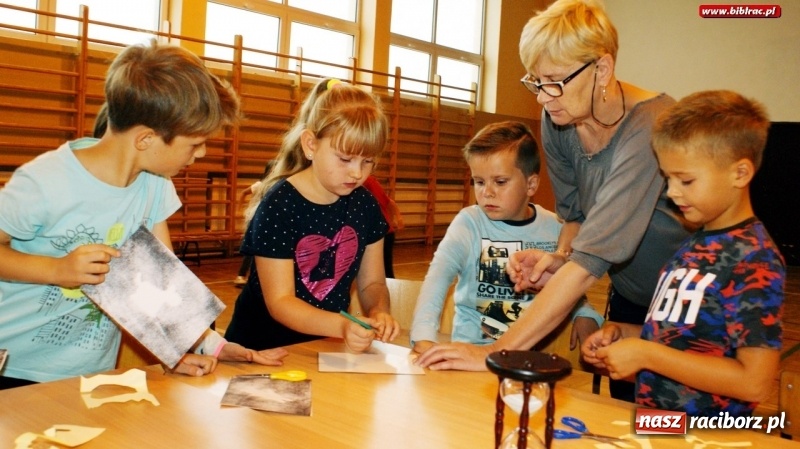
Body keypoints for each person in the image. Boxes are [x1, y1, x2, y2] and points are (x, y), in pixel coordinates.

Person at [416, 0, 691, 403]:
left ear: (602, 69)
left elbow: (590, 263)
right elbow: (577, 217)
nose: (544, 98)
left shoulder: (649, 125)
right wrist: (559, 256)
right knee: (627, 416)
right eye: (536, 82)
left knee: (679, 426)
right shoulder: (559, 119)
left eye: (555, 81)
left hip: (686, 302)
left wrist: (495, 351)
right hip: (631, 296)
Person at [0, 41, 286, 390]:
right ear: (146, 139)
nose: (202, 154)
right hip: (13, 366)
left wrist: (205, 345)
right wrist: (57, 270)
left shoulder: (155, 185)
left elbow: (161, 283)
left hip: (90, 373)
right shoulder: (45, 181)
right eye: (195, 144)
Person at [582, 90, 783, 416]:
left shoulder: (754, 259)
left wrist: (646, 354)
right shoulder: (693, 244)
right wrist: (624, 333)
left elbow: (753, 382)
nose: (672, 193)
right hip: (661, 424)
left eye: (686, 180)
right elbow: (679, 337)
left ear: (740, 173)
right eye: (668, 179)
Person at [224, 78, 401, 352]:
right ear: (310, 145)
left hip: (324, 346)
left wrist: (379, 310)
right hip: (260, 348)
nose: (357, 173)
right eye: (345, 159)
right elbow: (281, 301)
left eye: (368, 161)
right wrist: (341, 325)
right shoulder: (279, 205)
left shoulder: (365, 204)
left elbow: (373, 282)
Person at [410, 121, 604, 356]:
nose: (487, 192)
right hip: (470, 355)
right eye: (479, 182)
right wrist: (422, 337)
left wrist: (584, 314)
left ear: (531, 184)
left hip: (529, 357)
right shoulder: (468, 223)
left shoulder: (556, 228)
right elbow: (437, 279)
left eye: (500, 182)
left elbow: (569, 282)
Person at [234, 162, 274, 286]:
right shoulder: (260, 185)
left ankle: (258, 277)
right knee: (253, 248)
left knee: (261, 249)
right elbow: (244, 193)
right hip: (256, 218)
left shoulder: (275, 184)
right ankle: (241, 275)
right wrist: (238, 208)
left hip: (266, 219)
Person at [361, 175, 404, 278]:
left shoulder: (368, 180)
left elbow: (387, 201)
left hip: (382, 233)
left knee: (385, 272)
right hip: (367, 234)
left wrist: (398, 217)